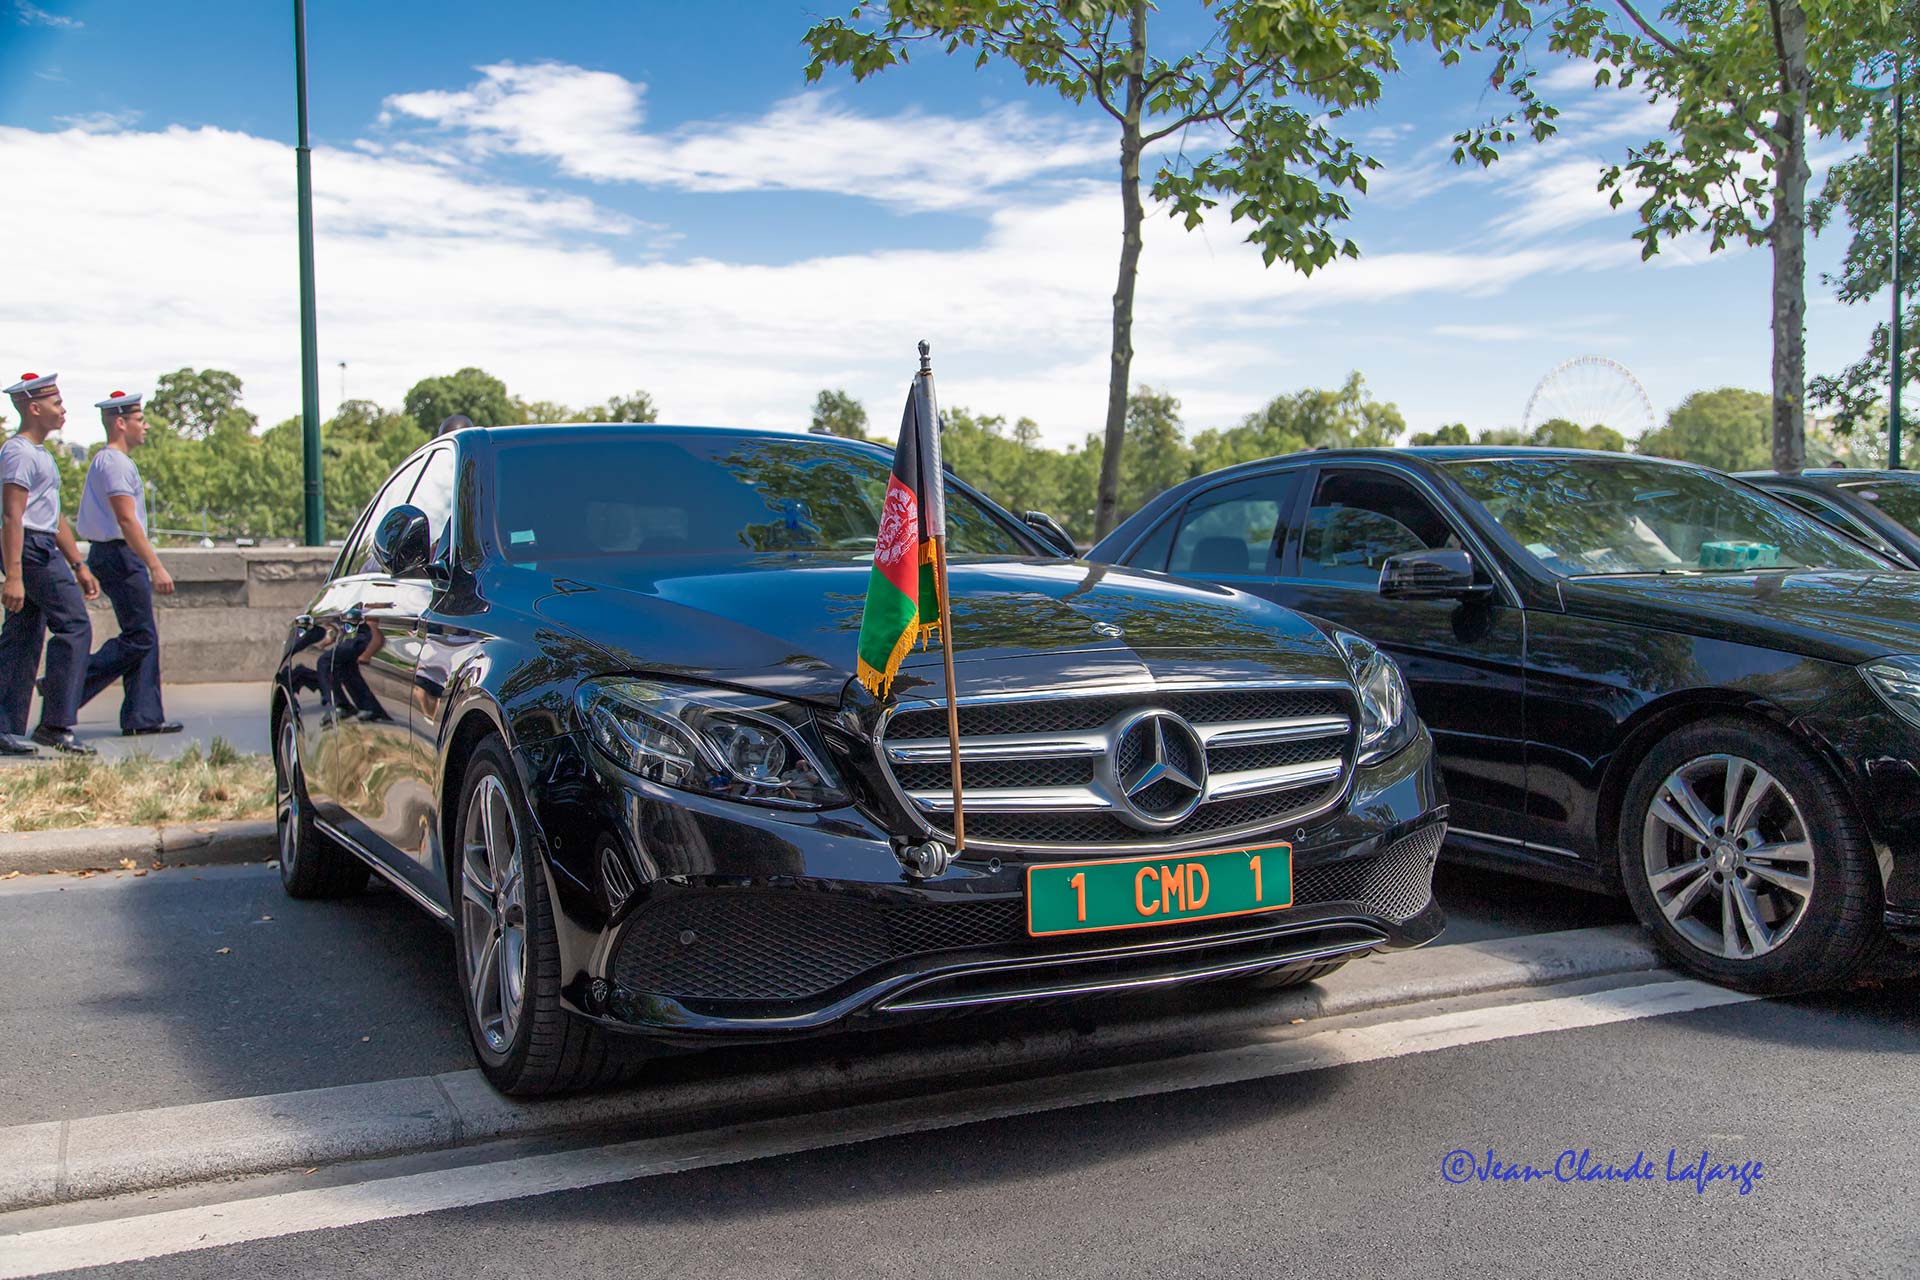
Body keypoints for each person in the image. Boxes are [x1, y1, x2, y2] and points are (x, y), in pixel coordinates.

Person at [0, 372, 100, 755]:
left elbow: (52, 514)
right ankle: (55, 724)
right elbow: (13, 516)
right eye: (56, 403)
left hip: (41, 546)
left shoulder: (41, 454)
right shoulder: (19, 453)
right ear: (34, 407)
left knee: (22, 638)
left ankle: (4, 726)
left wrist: (78, 563)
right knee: (74, 626)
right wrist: (14, 575)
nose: (63, 410)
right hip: (28, 548)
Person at [75, 390, 181, 735]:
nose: (145, 426)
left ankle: (143, 716)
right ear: (120, 423)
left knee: (143, 635)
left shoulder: (111, 461)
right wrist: (155, 565)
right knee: (140, 637)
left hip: (115, 554)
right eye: (139, 420)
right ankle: (67, 685)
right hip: (120, 554)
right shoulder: (115, 463)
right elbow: (127, 521)